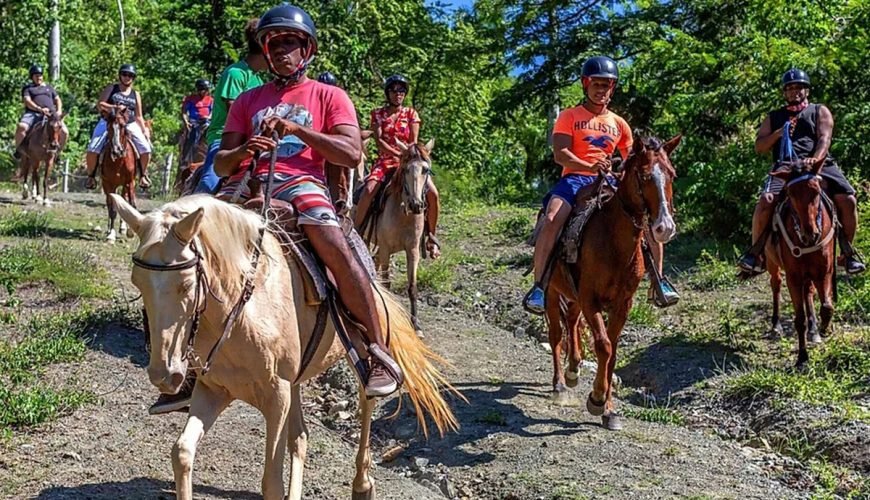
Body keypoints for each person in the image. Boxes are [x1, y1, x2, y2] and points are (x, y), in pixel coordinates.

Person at [149, 3, 404, 416]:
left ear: (307, 50)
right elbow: (222, 163)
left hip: (302, 183)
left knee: (333, 242)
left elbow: (353, 153)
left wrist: (299, 130)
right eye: (275, 44)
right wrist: (247, 149)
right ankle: (187, 367)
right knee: (176, 247)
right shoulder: (248, 100)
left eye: (291, 43)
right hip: (246, 185)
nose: (283, 51)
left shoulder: (329, 96)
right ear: (265, 51)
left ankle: (377, 351)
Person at [523, 56, 679, 314]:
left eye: (606, 85)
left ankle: (659, 282)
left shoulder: (619, 124)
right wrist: (588, 166)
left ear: (612, 88)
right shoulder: (569, 116)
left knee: (647, 218)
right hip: (573, 179)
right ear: (585, 84)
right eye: (596, 84)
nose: (601, 89)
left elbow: (631, 160)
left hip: (609, 181)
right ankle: (540, 285)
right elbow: (560, 153)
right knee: (552, 218)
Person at [737, 68, 865, 276]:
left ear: (807, 90)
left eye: (799, 87)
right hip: (785, 166)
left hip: (817, 164)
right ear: (784, 92)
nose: (794, 92)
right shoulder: (774, 117)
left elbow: (825, 138)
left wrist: (815, 159)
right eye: (790, 88)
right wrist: (778, 134)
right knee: (766, 200)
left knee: (848, 199)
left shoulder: (819, 110)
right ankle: (756, 254)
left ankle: (847, 253)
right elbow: (759, 147)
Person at [353, 74, 441, 258]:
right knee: (368, 190)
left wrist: (407, 157)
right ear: (388, 93)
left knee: (432, 193)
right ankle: (357, 232)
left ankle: (431, 236)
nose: (398, 94)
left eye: (401, 90)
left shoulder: (411, 114)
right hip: (385, 162)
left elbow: (413, 141)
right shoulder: (378, 113)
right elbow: (379, 141)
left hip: (409, 162)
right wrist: (396, 154)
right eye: (394, 90)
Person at [192, 19, 268, 194]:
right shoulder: (236, 73)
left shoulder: (259, 80)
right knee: (212, 179)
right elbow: (233, 108)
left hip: (251, 139)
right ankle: (190, 210)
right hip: (224, 138)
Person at [84, 64, 152, 189]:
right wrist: (114, 108)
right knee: (93, 148)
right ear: (120, 75)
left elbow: (138, 115)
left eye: (130, 75)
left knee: (146, 149)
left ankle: (143, 175)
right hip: (109, 122)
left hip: (129, 124)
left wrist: (144, 130)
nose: (127, 77)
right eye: (124, 74)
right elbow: (100, 104)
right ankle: (91, 176)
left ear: (133, 78)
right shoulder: (112, 88)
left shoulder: (135, 94)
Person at [14, 64, 68, 160]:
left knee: (64, 131)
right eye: (36, 75)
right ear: (32, 77)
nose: (39, 77)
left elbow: (58, 99)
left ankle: (58, 153)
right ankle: (19, 150)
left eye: (40, 75)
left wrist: (59, 111)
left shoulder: (49, 87)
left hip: (52, 115)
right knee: (21, 127)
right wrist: (39, 109)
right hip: (33, 113)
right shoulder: (28, 88)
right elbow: (27, 101)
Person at [179, 78, 214, 165]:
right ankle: (185, 158)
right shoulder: (190, 99)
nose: (206, 92)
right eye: (204, 90)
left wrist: (208, 117)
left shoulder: (210, 100)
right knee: (193, 135)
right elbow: (184, 112)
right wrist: (186, 122)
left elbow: (213, 111)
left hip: (206, 122)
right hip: (194, 122)